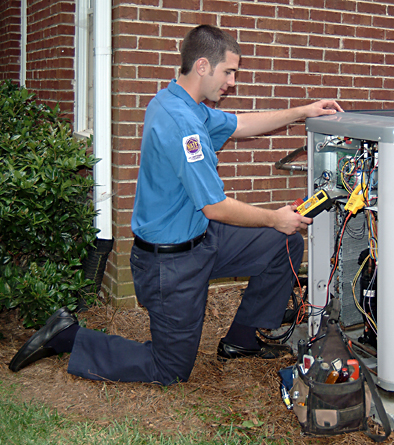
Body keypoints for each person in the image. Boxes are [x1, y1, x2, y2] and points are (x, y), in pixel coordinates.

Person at [9, 24, 343, 386]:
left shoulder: (180, 102)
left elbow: (240, 124)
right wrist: (273, 217)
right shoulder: (183, 124)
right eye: (228, 72)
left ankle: (242, 340)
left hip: (202, 239)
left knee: (283, 243)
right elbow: (215, 206)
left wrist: (304, 111)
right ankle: (67, 336)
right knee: (169, 369)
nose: (232, 82)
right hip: (170, 265)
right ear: (203, 66)